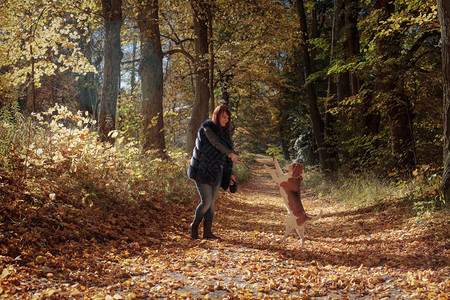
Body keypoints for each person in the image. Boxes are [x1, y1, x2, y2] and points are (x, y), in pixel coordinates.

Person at [187, 104, 239, 239]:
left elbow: (225, 157)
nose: (226, 120)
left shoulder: (226, 135)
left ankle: (207, 232)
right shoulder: (207, 128)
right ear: (217, 116)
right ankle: (194, 226)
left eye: (227, 118)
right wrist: (231, 154)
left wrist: (230, 173)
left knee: (212, 203)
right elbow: (216, 143)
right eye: (223, 117)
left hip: (217, 172)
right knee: (207, 201)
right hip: (202, 170)